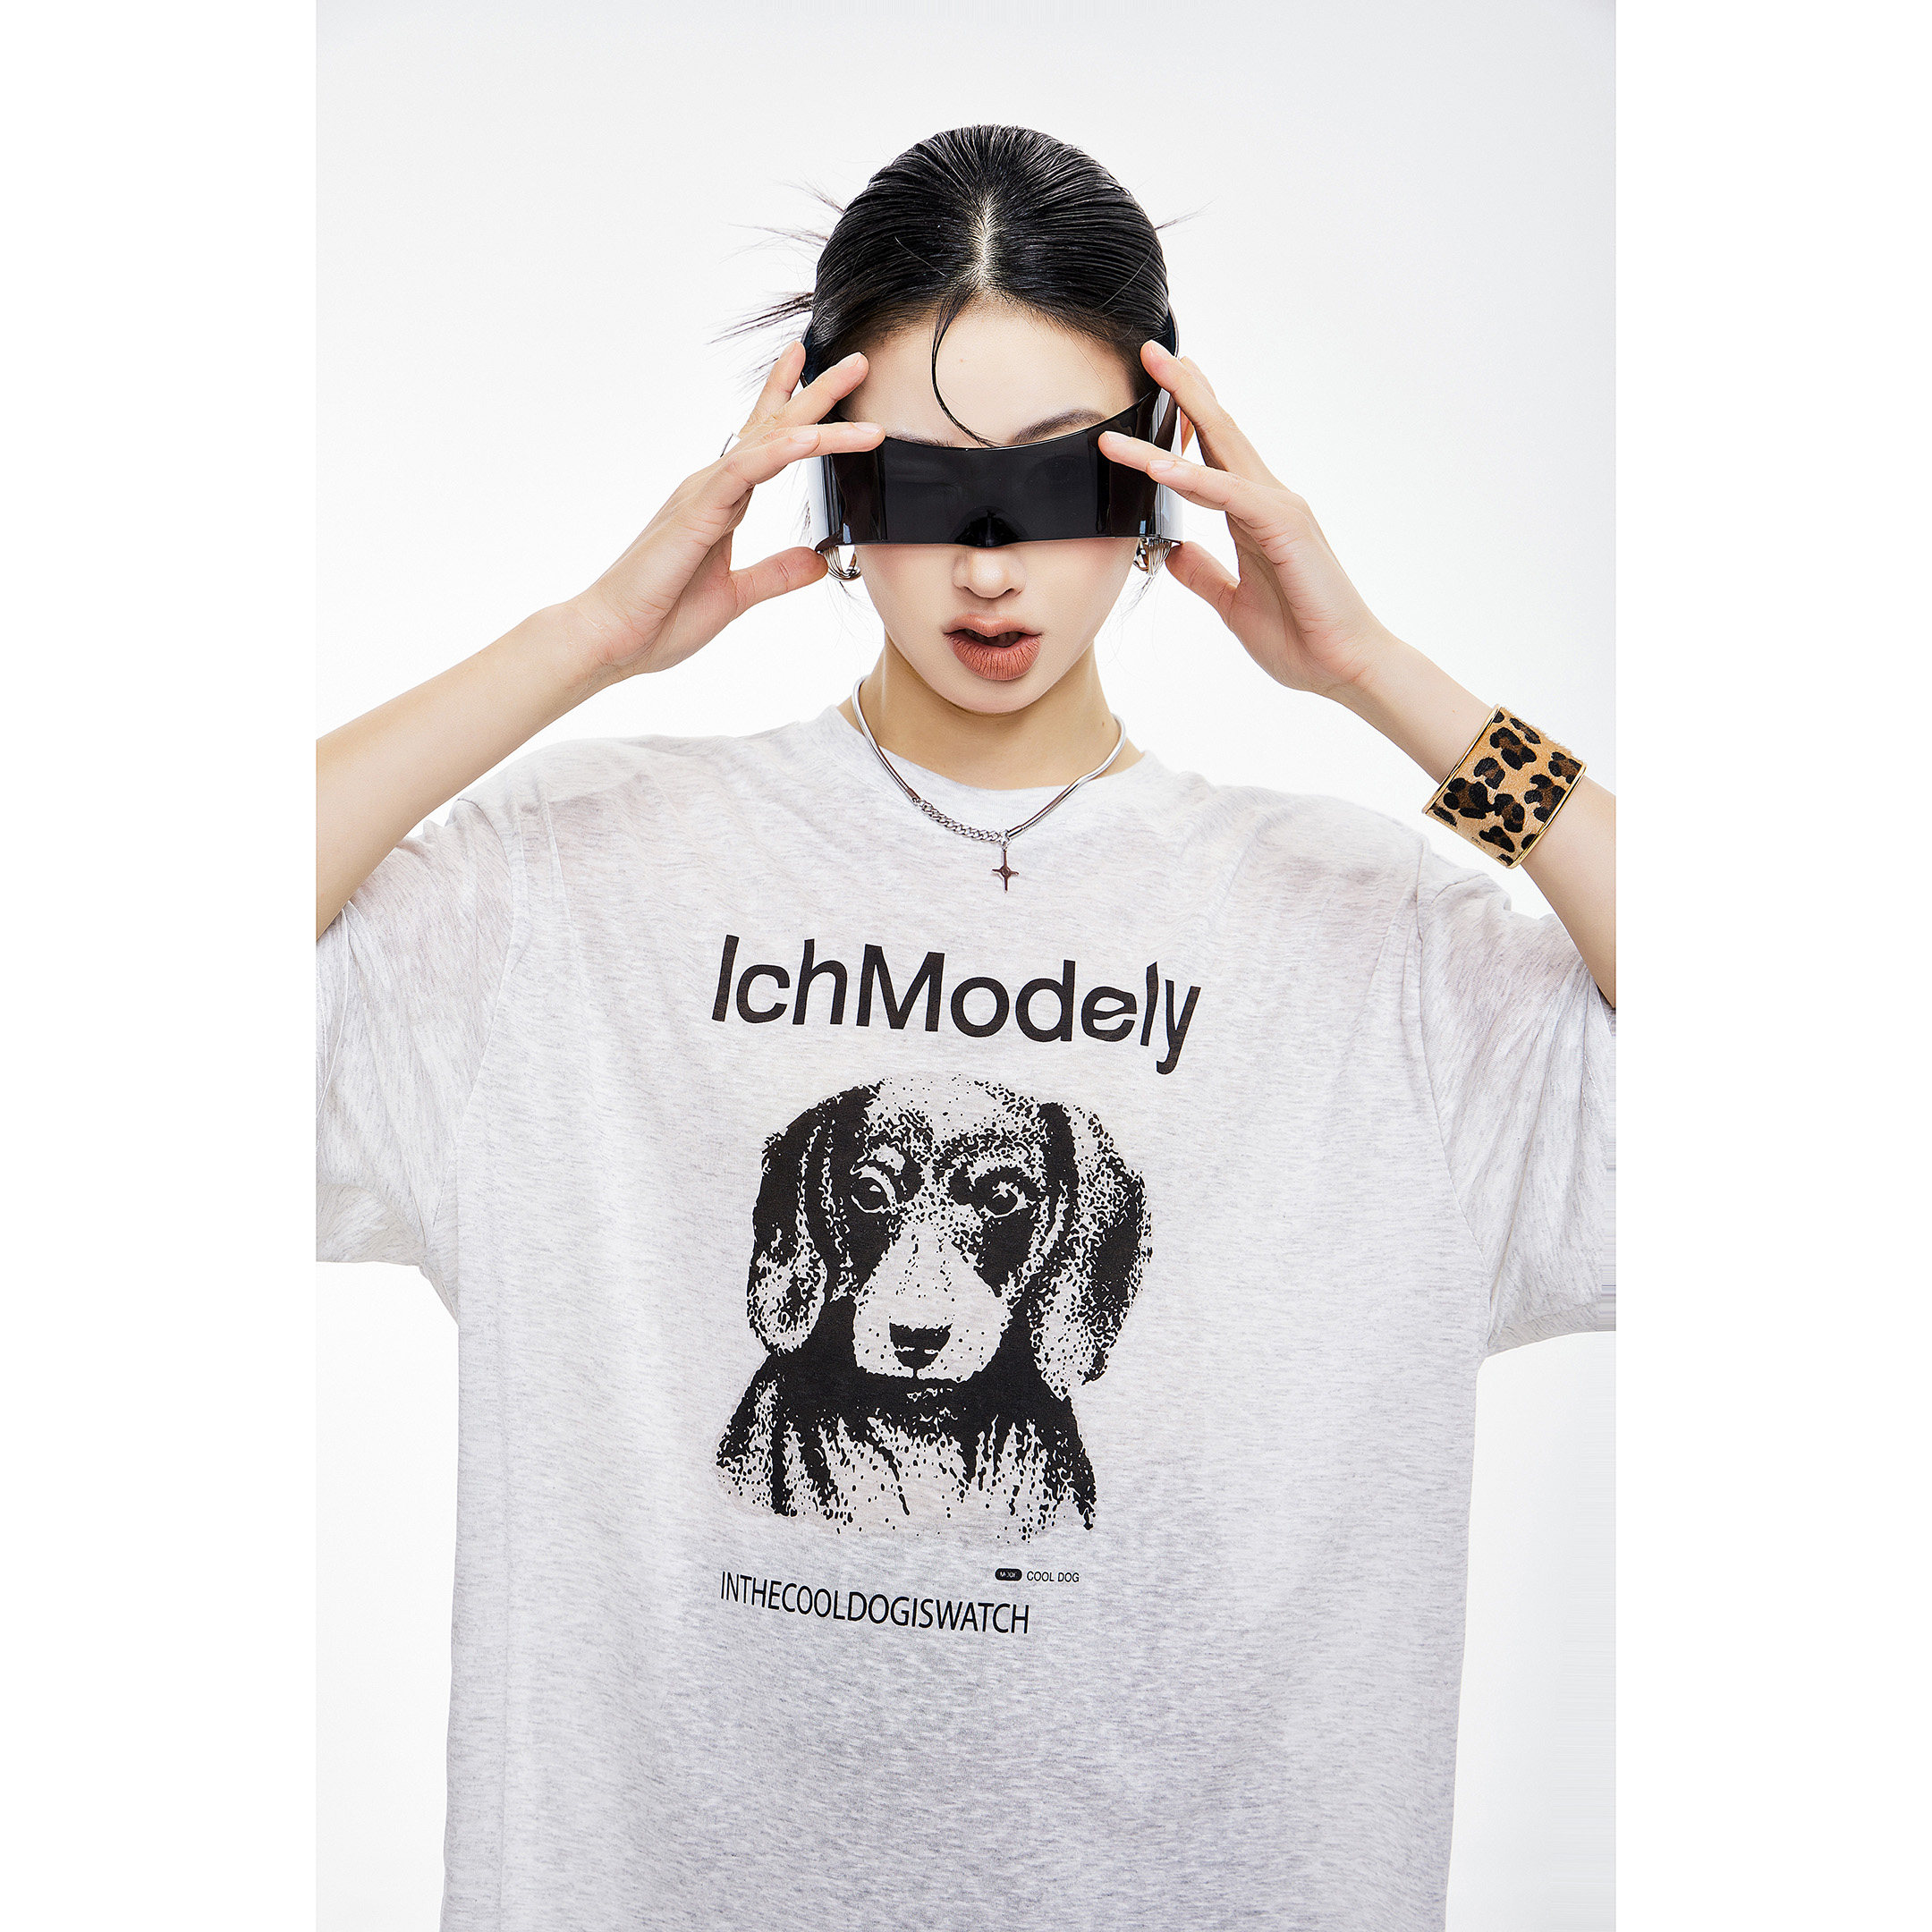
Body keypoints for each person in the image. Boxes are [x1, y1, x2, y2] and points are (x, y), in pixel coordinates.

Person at [318, 123, 1614, 1932]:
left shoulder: (1378, 941)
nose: (990, 564)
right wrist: (587, 638)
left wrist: (1383, 679)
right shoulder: (569, 885)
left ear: (1163, 485)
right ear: (827, 488)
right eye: (922, 485)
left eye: (1062, 480)